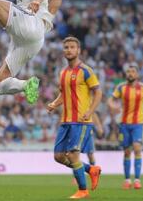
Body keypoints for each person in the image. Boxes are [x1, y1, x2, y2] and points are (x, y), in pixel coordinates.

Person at [47, 36, 102, 199]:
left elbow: (98, 92)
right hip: (65, 120)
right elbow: (63, 95)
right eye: (66, 47)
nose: (69, 50)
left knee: (72, 155)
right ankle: (91, 170)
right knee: (58, 156)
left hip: (81, 121)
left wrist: (90, 111)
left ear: (78, 51)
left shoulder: (86, 70)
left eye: (72, 47)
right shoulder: (63, 72)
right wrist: (54, 104)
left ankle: (83, 190)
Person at [107, 64, 143, 190]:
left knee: (137, 148)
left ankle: (137, 180)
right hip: (124, 124)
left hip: (138, 123)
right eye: (128, 71)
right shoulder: (121, 87)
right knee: (127, 151)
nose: (130, 74)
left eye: (132, 71)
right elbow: (111, 99)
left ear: (137, 74)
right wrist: (113, 106)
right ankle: (127, 180)